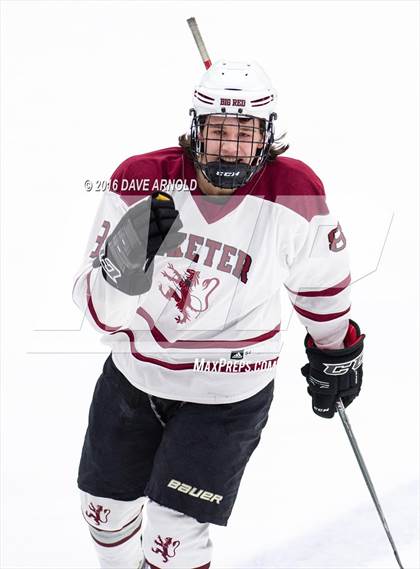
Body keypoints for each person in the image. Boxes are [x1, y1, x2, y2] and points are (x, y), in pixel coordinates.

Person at [73, 60, 365, 569]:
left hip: (228, 392)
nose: (229, 148)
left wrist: (335, 350)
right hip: (135, 378)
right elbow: (100, 314)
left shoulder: (294, 190)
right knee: (104, 513)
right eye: (218, 132)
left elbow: (321, 282)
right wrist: (123, 267)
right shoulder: (142, 179)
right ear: (195, 131)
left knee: (173, 536)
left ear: (267, 135)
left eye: (245, 133)